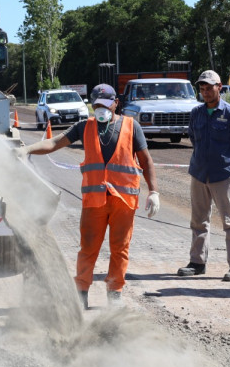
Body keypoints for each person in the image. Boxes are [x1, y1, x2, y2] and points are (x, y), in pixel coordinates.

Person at [17, 83, 159, 309]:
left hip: (123, 202)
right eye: (96, 106)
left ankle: (115, 294)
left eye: (105, 105)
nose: (101, 109)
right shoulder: (84, 126)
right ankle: (81, 293)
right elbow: (54, 142)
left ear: (116, 103)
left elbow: (146, 160)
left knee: (120, 249)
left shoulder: (132, 127)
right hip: (95, 202)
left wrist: (153, 191)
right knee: (88, 249)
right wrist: (27, 149)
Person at [177, 70, 230, 282]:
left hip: (223, 176)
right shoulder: (197, 113)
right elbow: (193, 138)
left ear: (220, 87)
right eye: (202, 88)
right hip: (199, 173)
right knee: (198, 221)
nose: (206, 92)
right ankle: (197, 263)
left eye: (210, 88)